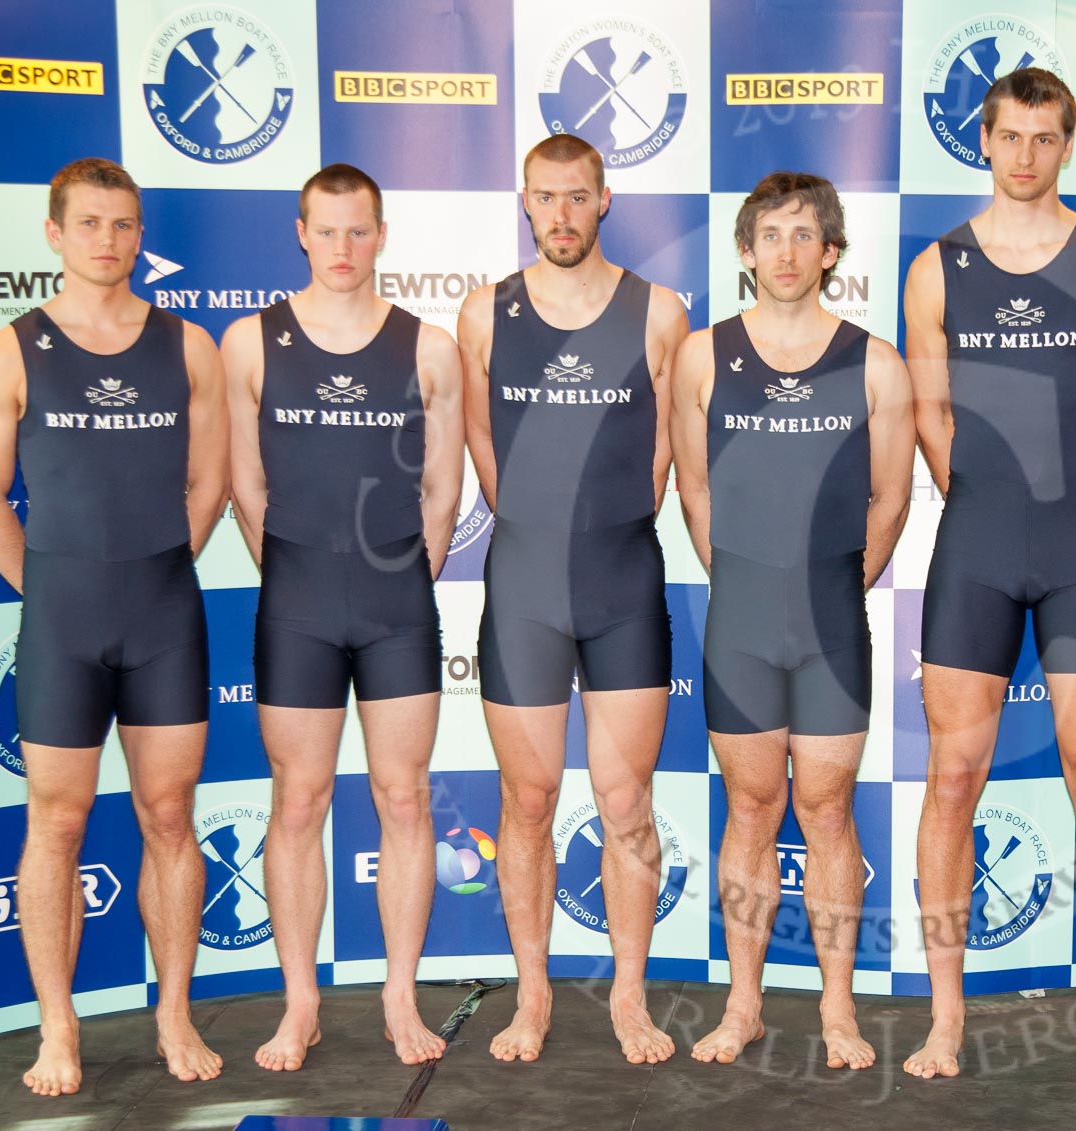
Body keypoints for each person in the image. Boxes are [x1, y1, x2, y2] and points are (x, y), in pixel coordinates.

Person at [900, 67, 1076, 1084]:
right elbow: (932, 418)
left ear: (1068, 145)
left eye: (1046, 138)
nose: (1026, 155)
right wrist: (982, 497)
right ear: (984, 139)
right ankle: (944, 1020)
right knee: (951, 778)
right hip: (976, 542)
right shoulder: (938, 269)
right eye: (1010, 136)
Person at [0, 157, 229, 1095]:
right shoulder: (9, 352)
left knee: (169, 817)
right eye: (92, 225)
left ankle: (174, 1012)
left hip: (162, 613)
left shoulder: (188, 346)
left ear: (140, 234)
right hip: (62, 621)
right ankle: (58, 1029)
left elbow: (213, 482)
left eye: (125, 225)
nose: (110, 241)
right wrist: (52, 587)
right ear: (55, 234)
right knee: (56, 823)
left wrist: (156, 566)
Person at [221, 163, 465, 1070]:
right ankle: (301, 1003)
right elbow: (245, 483)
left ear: (382, 234)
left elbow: (444, 486)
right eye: (325, 230)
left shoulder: (428, 347)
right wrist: (287, 563)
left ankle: (400, 996)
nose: (342, 248)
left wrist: (413, 565)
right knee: (300, 800)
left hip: (397, 598)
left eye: (358, 230)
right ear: (299, 232)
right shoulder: (249, 342)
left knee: (403, 797)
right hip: (297, 599)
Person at [671, 171, 915, 1069]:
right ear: (745, 251)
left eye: (802, 235)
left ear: (831, 253)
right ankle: (743, 1007)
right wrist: (738, 576)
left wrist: (837, 581)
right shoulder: (703, 357)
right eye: (768, 235)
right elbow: (693, 490)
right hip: (739, 613)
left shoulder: (875, 361)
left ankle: (839, 1010)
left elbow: (891, 497)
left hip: (829, 619)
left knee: (826, 810)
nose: (785, 251)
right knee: (750, 805)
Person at [458, 135, 689, 1064]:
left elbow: (668, 450)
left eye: (577, 197)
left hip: (622, 576)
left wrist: (609, 522)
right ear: (526, 201)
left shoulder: (659, 312)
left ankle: (629, 997)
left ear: (604, 201)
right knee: (528, 798)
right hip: (522, 582)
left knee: (626, 799)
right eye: (545, 198)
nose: (561, 213)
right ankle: (534, 994)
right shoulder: (484, 313)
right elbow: (480, 440)